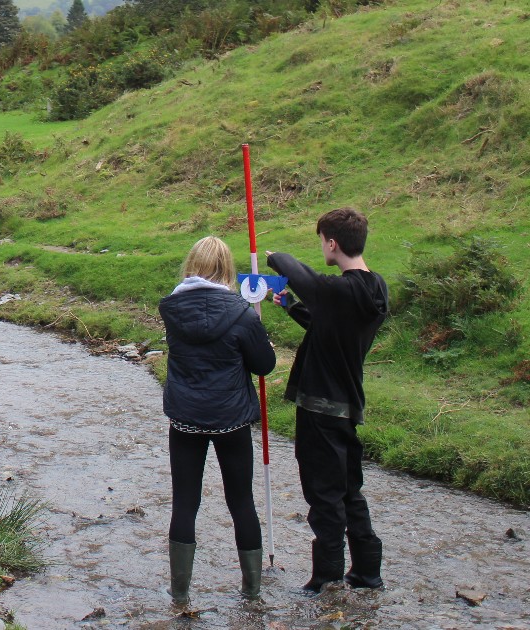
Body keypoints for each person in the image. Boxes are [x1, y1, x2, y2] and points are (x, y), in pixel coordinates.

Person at [265, 207, 389, 592]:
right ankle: (367, 572)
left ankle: (326, 578)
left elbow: (305, 278)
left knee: (324, 494)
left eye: (322, 241)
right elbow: (328, 324)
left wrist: (275, 257)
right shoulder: (376, 288)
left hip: (320, 408)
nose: (321, 248)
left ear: (332, 243)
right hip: (348, 406)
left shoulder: (339, 289)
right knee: (349, 490)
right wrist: (289, 305)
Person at [158, 236, 276, 606]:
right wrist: (260, 335)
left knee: (185, 502)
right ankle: (252, 592)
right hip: (231, 419)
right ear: (227, 269)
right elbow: (264, 365)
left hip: (185, 417)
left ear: (191, 265)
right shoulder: (242, 313)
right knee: (241, 502)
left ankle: (180, 594)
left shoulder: (172, 309)